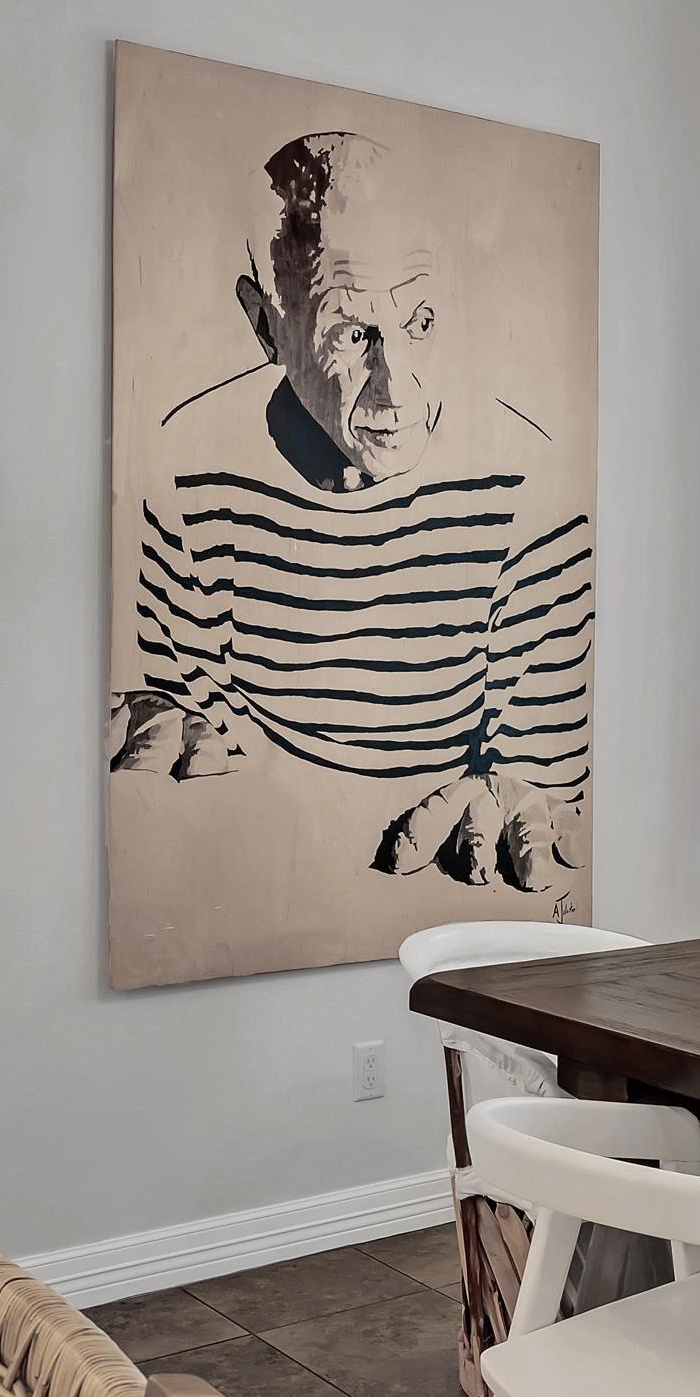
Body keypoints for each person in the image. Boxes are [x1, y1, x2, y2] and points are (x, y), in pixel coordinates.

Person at [109, 130, 588, 888]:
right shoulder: (184, 483)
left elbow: (543, 780)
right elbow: (195, 743)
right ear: (268, 326)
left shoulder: (535, 497)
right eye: (352, 332)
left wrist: (518, 793)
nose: (397, 389)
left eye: (419, 322)